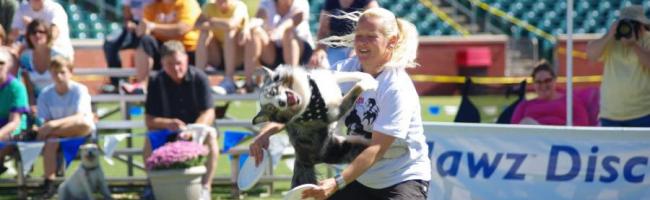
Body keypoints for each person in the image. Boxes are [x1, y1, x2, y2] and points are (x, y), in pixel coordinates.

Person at [250, 8, 430, 200]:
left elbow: (376, 149)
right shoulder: (342, 72)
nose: (362, 42)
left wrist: (337, 182)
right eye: (359, 35)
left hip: (402, 179)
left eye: (371, 36)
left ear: (391, 41)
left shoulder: (396, 87)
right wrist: (264, 134)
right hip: (362, 176)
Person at [143, 40, 218, 197]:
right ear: (162, 64)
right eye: (170, 64)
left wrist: (193, 129)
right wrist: (167, 123)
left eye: (179, 63)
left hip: (196, 131)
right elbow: (149, 120)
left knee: (211, 136)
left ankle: (205, 187)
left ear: (186, 60)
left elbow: (209, 112)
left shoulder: (200, 78)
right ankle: (153, 185)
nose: (176, 68)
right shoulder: (156, 81)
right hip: (168, 132)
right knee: (149, 139)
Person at [36, 56, 95, 198]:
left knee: (84, 124)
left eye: (62, 72)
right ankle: (49, 183)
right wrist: (49, 126)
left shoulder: (80, 90)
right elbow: (44, 120)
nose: (59, 76)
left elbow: (80, 118)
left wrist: (53, 125)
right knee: (51, 141)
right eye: (55, 72)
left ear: (70, 72)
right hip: (57, 135)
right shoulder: (45, 94)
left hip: (80, 133)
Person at [586, 5, 650, 127]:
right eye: (625, 24)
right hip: (610, 115)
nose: (628, 28)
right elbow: (591, 55)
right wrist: (609, 34)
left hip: (643, 113)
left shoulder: (647, 39)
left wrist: (634, 45)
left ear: (641, 26)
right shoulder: (612, 39)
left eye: (633, 24)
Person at [126, 0, 201, 93]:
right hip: (163, 52)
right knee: (145, 41)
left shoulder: (187, 3)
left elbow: (182, 28)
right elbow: (143, 30)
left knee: (175, 55)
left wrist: (153, 27)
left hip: (186, 51)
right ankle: (142, 84)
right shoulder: (152, 7)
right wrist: (139, 29)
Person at [194, 0, 251, 94]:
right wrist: (220, 24)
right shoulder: (209, 6)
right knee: (204, 34)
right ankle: (198, 78)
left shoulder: (239, 6)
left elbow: (231, 24)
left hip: (238, 56)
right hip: (218, 55)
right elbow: (197, 24)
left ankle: (229, 79)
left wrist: (211, 20)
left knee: (230, 33)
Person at [510, 60, 590, 126]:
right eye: (539, 82)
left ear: (554, 80)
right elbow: (514, 129)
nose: (543, 85)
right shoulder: (525, 105)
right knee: (527, 122)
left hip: (561, 137)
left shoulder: (570, 101)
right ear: (534, 84)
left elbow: (582, 124)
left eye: (547, 80)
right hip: (533, 140)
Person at [243, 0, 313, 71]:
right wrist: (247, 28)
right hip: (274, 51)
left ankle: (292, 76)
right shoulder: (267, 2)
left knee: (288, 33)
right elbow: (259, 18)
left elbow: (294, 20)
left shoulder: (300, 2)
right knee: (255, 32)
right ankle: (250, 80)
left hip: (300, 50)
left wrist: (279, 31)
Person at [308, 0, 378, 68]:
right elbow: (323, 31)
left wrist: (357, 48)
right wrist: (320, 50)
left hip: (359, 47)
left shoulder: (368, 2)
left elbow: (373, 29)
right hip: (334, 48)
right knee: (321, 65)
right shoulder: (330, 1)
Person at [101, 0, 152, 93]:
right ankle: (118, 82)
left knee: (146, 42)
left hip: (153, 24)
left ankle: (150, 81)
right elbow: (127, 12)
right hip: (135, 24)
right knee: (110, 43)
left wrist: (150, 26)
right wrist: (129, 23)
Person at [17, 19, 62, 112]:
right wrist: (32, 106)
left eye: (41, 31)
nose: (37, 35)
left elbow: (63, 84)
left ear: (48, 34)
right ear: (28, 36)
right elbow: (29, 90)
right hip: (37, 105)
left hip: (59, 102)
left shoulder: (58, 56)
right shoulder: (25, 58)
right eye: (33, 32)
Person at [0, 47, 28, 175]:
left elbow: (14, 122)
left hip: (13, 131)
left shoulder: (17, 88)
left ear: (9, 65)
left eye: (1, 63)